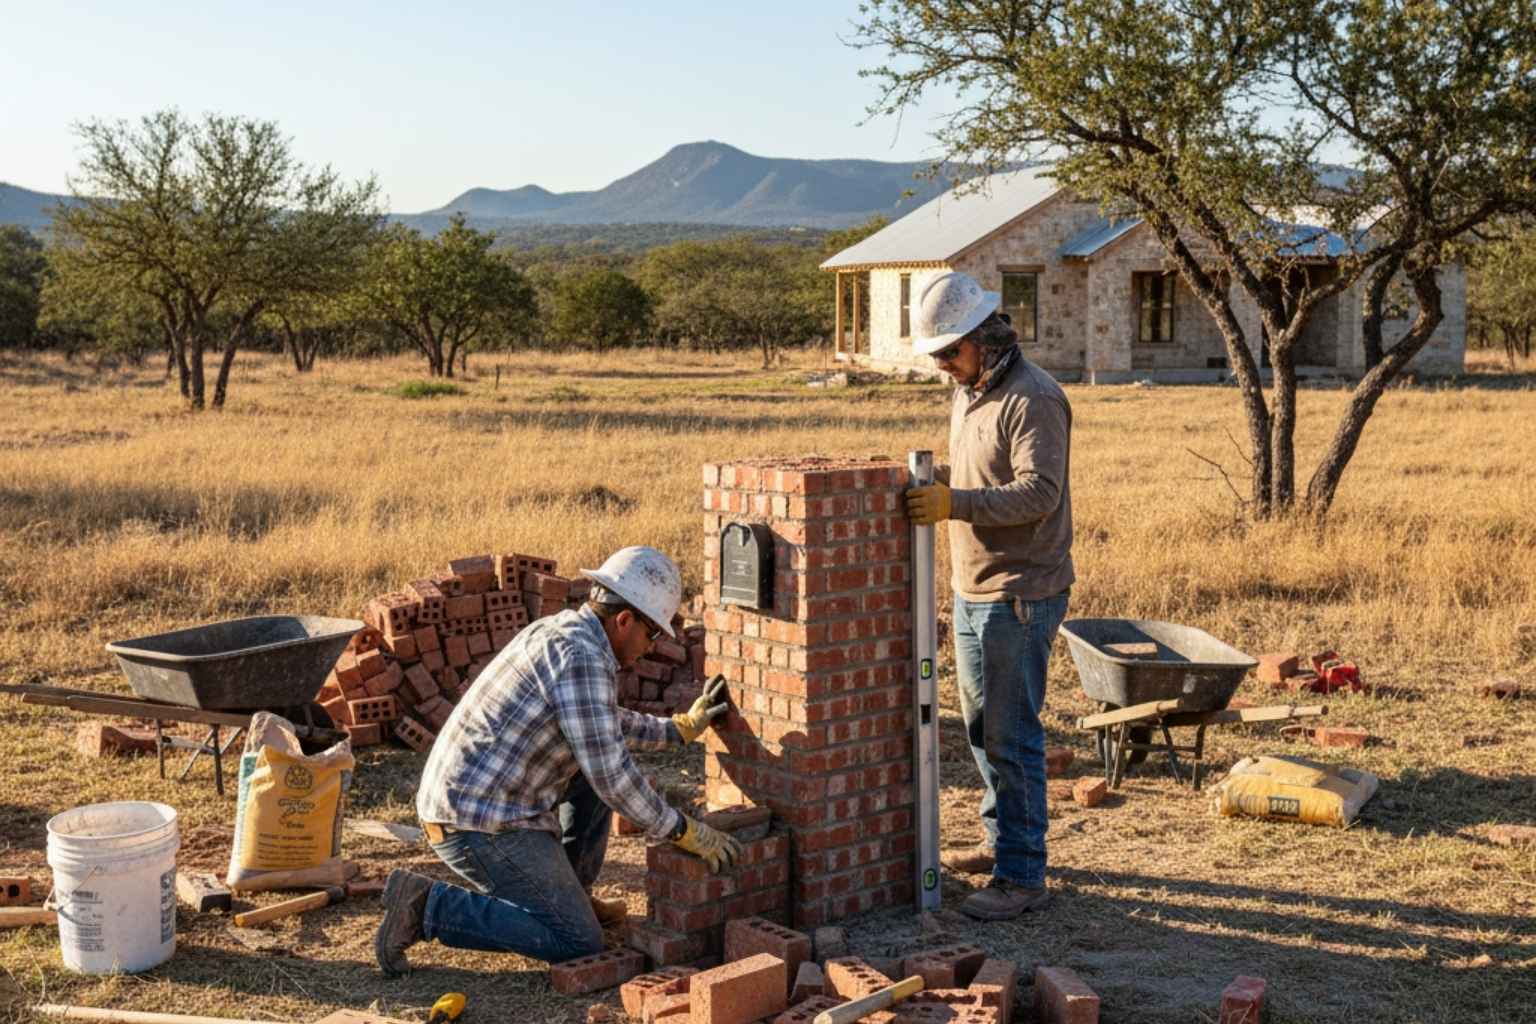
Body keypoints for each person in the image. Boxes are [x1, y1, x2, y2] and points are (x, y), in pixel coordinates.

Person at [374, 545, 741, 976]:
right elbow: (612, 775)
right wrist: (681, 829)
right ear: (624, 620)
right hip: (475, 823)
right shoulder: (582, 656)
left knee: (589, 775)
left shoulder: (567, 631)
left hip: (484, 798)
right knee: (576, 940)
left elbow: (598, 723)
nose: (652, 646)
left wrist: (677, 728)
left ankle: (571, 894)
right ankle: (425, 907)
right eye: (653, 634)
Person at [903, 272, 1074, 921]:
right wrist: (930, 482)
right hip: (975, 588)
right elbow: (979, 475)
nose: (944, 365)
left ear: (983, 337)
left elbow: (1039, 492)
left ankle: (1023, 878)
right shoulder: (973, 393)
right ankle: (1005, 844)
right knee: (982, 732)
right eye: (937, 356)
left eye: (950, 352)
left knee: (1012, 735)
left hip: (1020, 592)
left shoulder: (1034, 398)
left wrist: (956, 503)